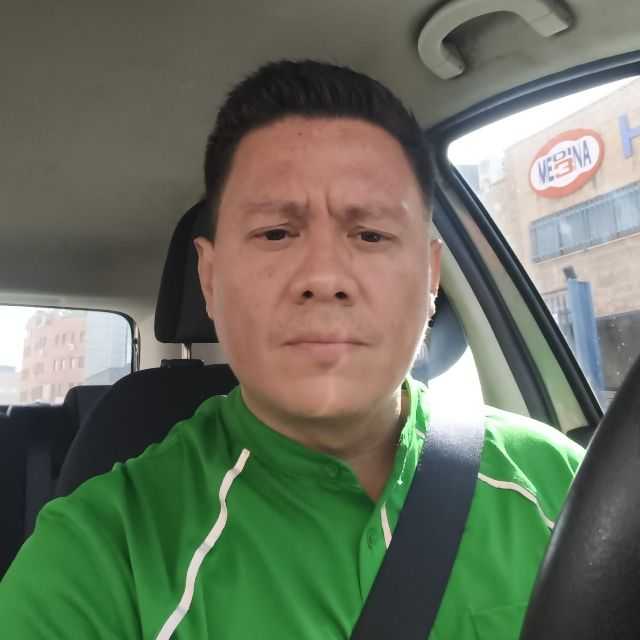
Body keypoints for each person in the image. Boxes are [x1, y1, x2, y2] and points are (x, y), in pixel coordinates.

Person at [0, 60, 583, 639]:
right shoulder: (105, 554)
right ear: (210, 278)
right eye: (276, 233)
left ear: (431, 277)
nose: (324, 277)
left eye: (371, 234)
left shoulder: (563, 486)